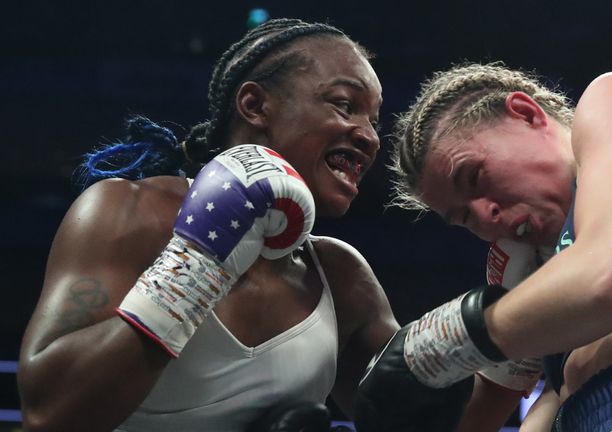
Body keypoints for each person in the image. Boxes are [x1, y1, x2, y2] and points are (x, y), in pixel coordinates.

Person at [16, 18, 401, 432]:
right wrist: (198, 264)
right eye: (345, 104)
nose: (370, 137)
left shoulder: (341, 277)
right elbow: (49, 411)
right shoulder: (129, 212)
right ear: (255, 106)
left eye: (373, 121)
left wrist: (471, 328)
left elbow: (423, 418)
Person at [356, 63, 612, 431]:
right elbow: (536, 402)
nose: (486, 216)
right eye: (465, 218)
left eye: (475, 177)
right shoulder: (536, 272)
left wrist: (438, 342)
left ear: (526, 113)